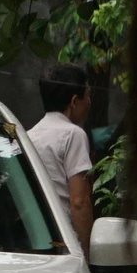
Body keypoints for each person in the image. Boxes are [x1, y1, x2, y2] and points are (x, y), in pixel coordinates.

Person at [30, 63, 97, 243]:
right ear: (74, 102)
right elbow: (79, 202)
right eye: (88, 97)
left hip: (35, 237)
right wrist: (86, 254)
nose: (89, 103)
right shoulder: (73, 135)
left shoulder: (29, 136)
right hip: (65, 239)